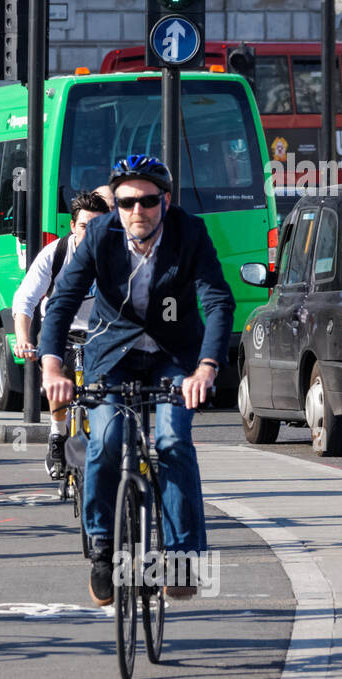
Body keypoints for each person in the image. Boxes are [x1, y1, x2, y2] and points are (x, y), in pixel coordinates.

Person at [39, 154, 233, 605]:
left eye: (147, 201)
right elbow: (63, 300)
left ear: (164, 201)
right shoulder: (101, 235)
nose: (136, 212)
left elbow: (218, 302)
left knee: (171, 442)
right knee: (106, 441)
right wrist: (52, 367)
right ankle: (103, 551)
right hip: (114, 354)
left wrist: (206, 367)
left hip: (175, 355)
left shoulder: (190, 232)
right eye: (126, 202)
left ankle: (182, 557)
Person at [12, 188, 111, 477]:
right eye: (83, 226)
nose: (90, 233)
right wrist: (23, 338)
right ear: (72, 226)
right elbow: (25, 299)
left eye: (97, 226)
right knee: (59, 381)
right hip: (62, 331)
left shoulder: (116, 254)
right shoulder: (56, 254)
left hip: (100, 334)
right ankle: (57, 435)